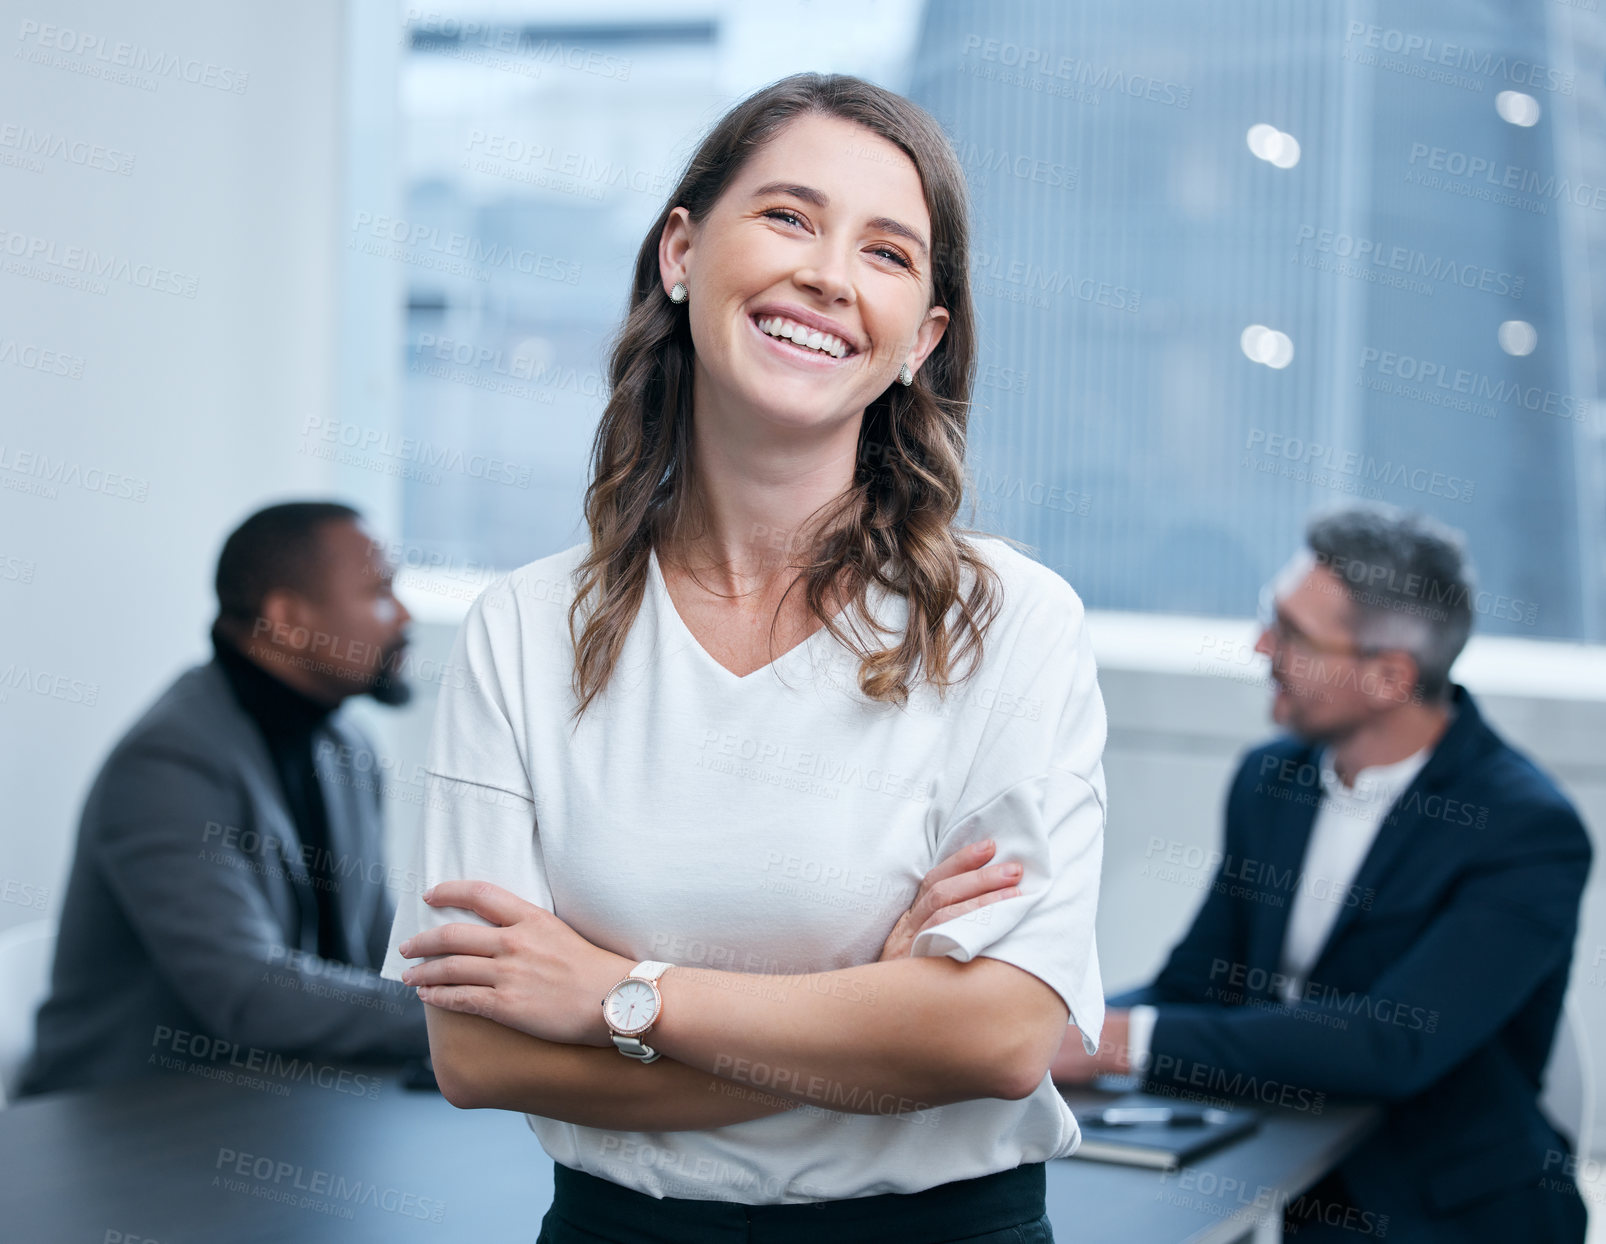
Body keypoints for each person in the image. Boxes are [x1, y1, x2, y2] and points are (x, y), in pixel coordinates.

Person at [383, 73, 1110, 1242]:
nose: (828, 274)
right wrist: (870, 1010)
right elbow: (474, 1051)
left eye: (886, 252)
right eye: (787, 216)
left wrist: (615, 996)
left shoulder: (1008, 622)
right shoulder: (522, 628)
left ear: (920, 339)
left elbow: (1002, 1036)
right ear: (680, 251)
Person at [1052, 505, 1593, 1243]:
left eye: (1294, 634)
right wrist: (1059, 1022)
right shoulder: (1270, 778)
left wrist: (1122, 1041)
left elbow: (1389, 1046)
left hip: (1453, 1210)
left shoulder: (1526, 830)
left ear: (1391, 677)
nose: (1259, 646)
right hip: (1289, 1167)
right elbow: (1200, 984)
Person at [16, 502, 431, 1098]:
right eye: (379, 594)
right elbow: (247, 994)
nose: (404, 616)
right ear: (287, 618)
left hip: (281, 1106)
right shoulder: (168, 762)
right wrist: (458, 1023)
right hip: (127, 1132)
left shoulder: (346, 745)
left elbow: (371, 955)